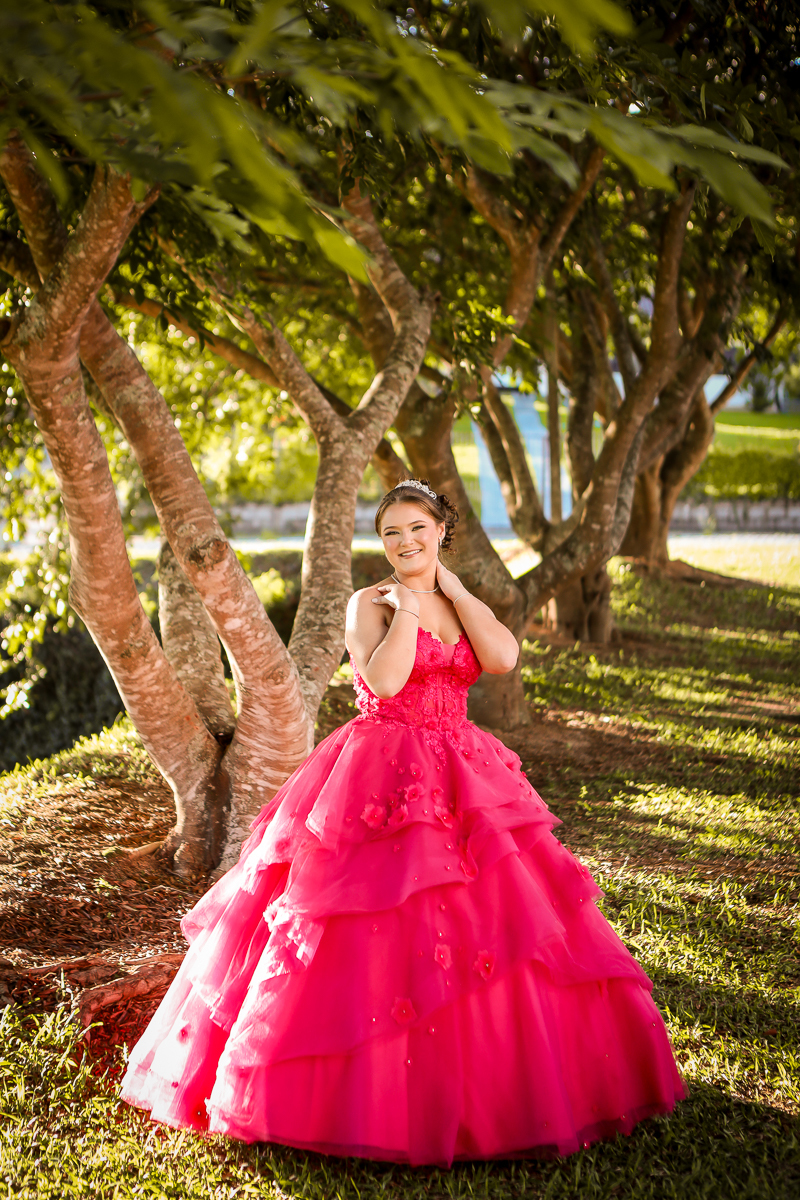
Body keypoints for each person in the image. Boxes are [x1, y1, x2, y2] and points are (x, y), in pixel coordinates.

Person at [121, 479, 686, 1164]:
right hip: (381, 773)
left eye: (418, 529)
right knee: (377, 919)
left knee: (494, 915)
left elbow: (503, 658)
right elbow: (385, 682)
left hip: (463, 766)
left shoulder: (457, 596)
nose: (405, 542)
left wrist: (445, 588)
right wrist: (411, 608)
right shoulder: (370, 603)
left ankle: (499, 1086)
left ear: (441, 531)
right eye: (391, 533)